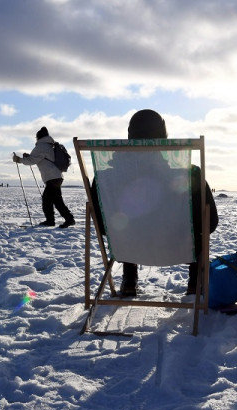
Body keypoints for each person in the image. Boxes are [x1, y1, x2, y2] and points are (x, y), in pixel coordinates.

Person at [91, 109, 219, 297]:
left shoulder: (105, 178)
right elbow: (211, 222)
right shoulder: (189, 175)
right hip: (176, 244)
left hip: (127, 245)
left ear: (129, 136)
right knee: (195, 228)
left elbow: (101, 225)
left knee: (128, 224)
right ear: (164, 137)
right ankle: (195, 283)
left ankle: (129, 281)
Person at [13, 127, 76, 228]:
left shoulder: (41, 146)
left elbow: (32, 160)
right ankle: (57, 219)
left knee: (50, 200)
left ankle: (63, 219)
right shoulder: (49, 145)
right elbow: (39, 158)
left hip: (52, 177)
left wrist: (19, 160)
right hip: (56, 176)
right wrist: (28, 157)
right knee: (52, 200)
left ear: (38, 137)